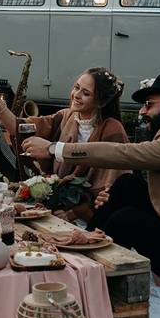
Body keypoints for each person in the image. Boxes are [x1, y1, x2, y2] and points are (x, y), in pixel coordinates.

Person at [23, 72, 160, 292]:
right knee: (127, 185)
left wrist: (55, 149)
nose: (142, 112)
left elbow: (126, 154)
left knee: (127, 220)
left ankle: (87, 280)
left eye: (149, 105)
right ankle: (81, 252)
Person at [25, 67, 129, 222]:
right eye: (76, 88)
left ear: (100, 101)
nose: (77, 95)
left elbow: (109, 187)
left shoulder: (112, 129)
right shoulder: (67, 116)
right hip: (55, 207)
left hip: (90, 216)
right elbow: (22, 127)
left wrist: (73, 213)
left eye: (86, 93)